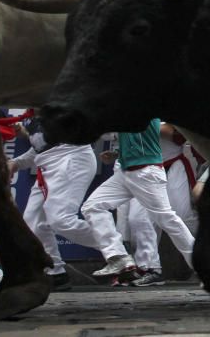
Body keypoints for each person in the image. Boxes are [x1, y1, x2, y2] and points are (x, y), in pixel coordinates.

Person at [81, 119, 194, 286]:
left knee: (167, 220)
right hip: (126, 172)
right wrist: (117, 153)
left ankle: (204, 265)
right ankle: (118, 256)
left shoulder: (140, 108)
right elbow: (127, 138)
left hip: (146, 172)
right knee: (92, 206)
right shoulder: (122, 109)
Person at [8, 115, 100, 291]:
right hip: (48, 165)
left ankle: (116, 248)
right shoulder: (31, 117)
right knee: (33, 222)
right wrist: (16, 162)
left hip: (70, 159)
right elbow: (41, 149)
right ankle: (56, 273)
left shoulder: (60, 106)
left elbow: (62, 145)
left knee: (61, 220)